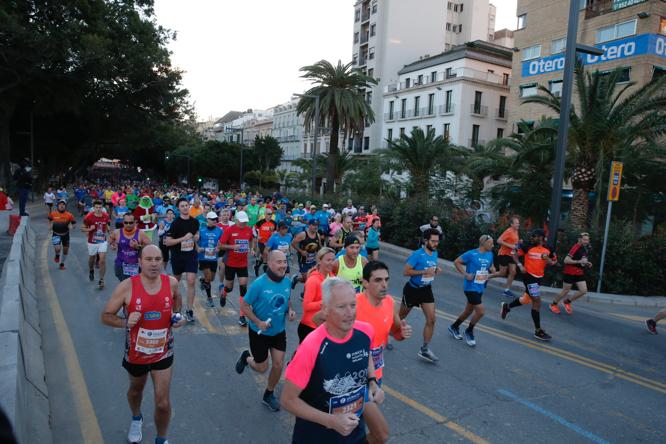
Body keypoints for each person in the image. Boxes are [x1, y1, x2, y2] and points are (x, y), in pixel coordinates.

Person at [281, 278, 384, 444]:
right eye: (341, 307)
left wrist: (372, 382)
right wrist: (331, 421)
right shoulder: (311, 346)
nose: (350, 313)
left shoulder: (365, 332)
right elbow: (288, 400)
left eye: (353, 305)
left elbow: (367, 355)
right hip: (315, 437)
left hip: (355, 433)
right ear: (325, 310)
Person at [101, 245, 186, 444]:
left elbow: (177, 300)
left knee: (163, 403)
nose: (154, 263)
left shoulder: (171, 283)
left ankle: (161, 439)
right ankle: (136, 417)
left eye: (158, 259)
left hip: (163, 352)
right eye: (149, 259)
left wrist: (176, 316)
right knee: (136, 390)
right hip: (136, 353)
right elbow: (105, 316)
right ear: (139, 262)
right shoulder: (127, 287)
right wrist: (125, 322)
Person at [356, 261, 412, 444]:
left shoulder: (390, 303)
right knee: (378, 433)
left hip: (376, 374)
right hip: (353, 376)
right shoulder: (353, 305)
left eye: (386, 280)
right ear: (365, 282)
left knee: (362, 427)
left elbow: (395, 332)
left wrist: (402, 334)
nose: (384, 285)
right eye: (378, 280)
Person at [235, 251, 296, 412]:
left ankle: (268, 394)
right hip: (258, 333)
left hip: (278, 331)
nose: (283, 265)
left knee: (278, 365)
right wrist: (258, 322)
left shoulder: (287, 282)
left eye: (284, 261)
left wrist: (289, 310)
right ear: (269, 263)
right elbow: (244, 306)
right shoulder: (259, 284)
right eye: (278, 262)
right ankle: (246, 357)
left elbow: (287, 299)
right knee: (262, 368)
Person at [500, 229, 557, 341]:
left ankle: (507, 307)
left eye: (534, 236)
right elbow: (515, 255)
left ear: (541, 237)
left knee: (526, 300)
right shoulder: (527, 246)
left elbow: (554, 262)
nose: (532, 238)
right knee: (537, 301)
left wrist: (548, 260)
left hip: (539, 278)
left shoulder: (549, 248)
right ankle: (538, 331)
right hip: (529, 277)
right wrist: (520, 265)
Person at [399, 229, 442, 363]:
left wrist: (436, 270)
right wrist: (424, 271)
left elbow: (431, 267)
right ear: (425, 241)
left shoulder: (435, 253)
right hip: (412, 290)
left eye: (437, 241)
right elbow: (405, 272)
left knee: (432, 319)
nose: (435, 244)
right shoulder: (417, 254)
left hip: (426, 289)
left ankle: (424, 349)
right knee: (400, 317)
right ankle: (386, 334)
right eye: (433, 241)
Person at [449, 235, 500, 347]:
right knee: (480, 311)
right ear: (483, 244)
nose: (493, 245)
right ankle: (469, 331)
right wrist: (466, 274)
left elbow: (491, 267)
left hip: (480, 286)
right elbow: (457, 262)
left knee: (468, 310)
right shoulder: (471, 254)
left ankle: (454, 326)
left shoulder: (490, 254)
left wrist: (492, 270)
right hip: (470, 287)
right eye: (491, 243)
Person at [163, 198, 200, 323]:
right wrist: (183, 238)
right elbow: (167, 242)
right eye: (182, 206)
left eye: (186, 205)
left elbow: (196, 234)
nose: (185, 207)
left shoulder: (195, 222)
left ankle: (189, 310)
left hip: (191, 255)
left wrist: (196, 237)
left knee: (191, 281)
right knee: (175, 282)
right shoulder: (175, 223)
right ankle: (171, 307)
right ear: (178, 208)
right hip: (177, 256)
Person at [218, 210, 256, 326]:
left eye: (245, 222)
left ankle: (242, 316)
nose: (244, 224)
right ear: (236, 220)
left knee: (243, 287)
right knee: (229, 287)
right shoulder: (229, 230)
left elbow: (252, 239)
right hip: (231, 263)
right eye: (242, 222)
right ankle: (224, 293)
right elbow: (220, 245)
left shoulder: (248, 230)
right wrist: (232, 246)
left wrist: (252, 249)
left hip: (243, 263)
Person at [297, 247, 336, 343]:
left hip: (324, 325)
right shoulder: (313, 280)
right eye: (328, 260)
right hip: (309, 327)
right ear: (319, 261)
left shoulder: (332, 276)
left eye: (333, 260)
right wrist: (325, 303)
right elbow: (306, 306)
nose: (331, 263)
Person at [549, 232, 593, 315]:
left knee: (583, 290)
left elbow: (582, 259)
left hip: (579, 272)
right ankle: (553, 304)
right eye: (584, 239)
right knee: (566, 290)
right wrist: (579, 261)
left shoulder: (584, 248)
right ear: (579, 239)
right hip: (570, 271)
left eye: (587, 240)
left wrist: (587, 263)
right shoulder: (575, 247)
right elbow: (566, 260)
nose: (586, 241)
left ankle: (567, 302)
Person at [109, 213, 151, 281]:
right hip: (121, 265)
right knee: (125, 287)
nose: (128, 225)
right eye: (126, 222)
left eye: (131, 223)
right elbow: (111, 239)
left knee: (136, 287)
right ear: (123, 222)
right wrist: (112, 244)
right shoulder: (117, 232)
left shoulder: (140, 233)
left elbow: (149, 248)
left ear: (135, 222)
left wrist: (138, 246)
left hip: (137, 265)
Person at [82, 200, 111, 288]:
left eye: (100, 208)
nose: (98, 209)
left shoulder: (106, 216)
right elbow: (82, 228)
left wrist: (110, 234)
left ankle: (101, 280)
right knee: (92, 258)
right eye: (96, 208)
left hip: (102, 241)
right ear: (93, 208)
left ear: (102, 208)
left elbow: (106, 225)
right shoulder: (89, 217)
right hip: (92, 241)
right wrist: (89, 229)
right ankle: (91, 270)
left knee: (102, 260)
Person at [291, 219, 324, 296]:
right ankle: (298, 281)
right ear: (309, 225)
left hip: (313, 260)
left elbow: (319, 247)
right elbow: (293, 243)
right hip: (303, 260)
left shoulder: (317, 235)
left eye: (317, 225)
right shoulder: (303, 234)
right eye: (314, 225)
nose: (316, 227)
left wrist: (323, 253)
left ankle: (302, 289)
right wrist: (301, 251)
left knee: (310, 278)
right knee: (307, 278)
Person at [197, 212, 223, 307]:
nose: (214, 221)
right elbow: (194, 241)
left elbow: (222, 242)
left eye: (215, 219)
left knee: (211, 279)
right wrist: (198, 248)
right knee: (208, 277)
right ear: (207, 220)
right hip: (203, 257)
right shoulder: (201, 230)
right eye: (212, 219)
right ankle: (209, 298)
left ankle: (202, 280)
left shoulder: (219, 231)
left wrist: (219, 248)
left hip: (213, 258)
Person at [496, 216, 521, 298]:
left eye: (518, 223)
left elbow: (514, 242)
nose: (518, 224)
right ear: (511, 224)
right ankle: (486, 277)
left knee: (513, 272)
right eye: (516, 223)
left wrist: (518, 243)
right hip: (504, 254)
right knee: (502, 273)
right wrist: (510, 246)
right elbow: (499, 240)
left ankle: (506, 290)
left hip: (511, 255)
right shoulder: (508, 231)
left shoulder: (516, 231)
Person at [47, 200, 76, 270]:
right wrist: (50, 226)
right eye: (60, 204)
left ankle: (62, 263)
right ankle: (57, 255)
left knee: (65, 250)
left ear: (65, 206)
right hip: (56, 234)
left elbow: (74, 224)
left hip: (65, 235)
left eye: (63, 204)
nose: (62, 206)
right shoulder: (53, 214)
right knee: (58, 249)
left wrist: (72, 226)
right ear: (57, 206)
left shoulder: (69, 215)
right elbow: (50, 222)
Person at [253, 207, 277, 275]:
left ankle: (257, 266)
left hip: (270, 243)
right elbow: (254, 229)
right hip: (262, 242)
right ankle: (266, 274)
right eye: (269, 214)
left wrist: (274, 236)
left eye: (271, 214)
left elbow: (275, 232)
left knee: (265, 257)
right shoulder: (260, 222)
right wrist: (257, 236)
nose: (270, 215)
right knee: (265, 256)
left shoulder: (274, 223)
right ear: (265, 214)